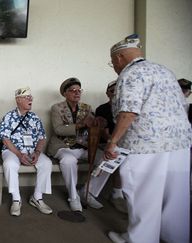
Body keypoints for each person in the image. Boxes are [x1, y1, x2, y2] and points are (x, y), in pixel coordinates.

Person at [105, 34, 191, 243]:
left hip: (145, 146)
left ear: (118, 59)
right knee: (177, 197)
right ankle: (175, 237)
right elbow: (183, 106)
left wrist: (113, 141)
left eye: (112, 62)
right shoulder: (165, 72)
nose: (114, 67)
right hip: (179, 143)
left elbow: (129, 112)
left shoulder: (130, 73)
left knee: (142, 195)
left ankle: (139, 239)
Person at [47, 78, 105, 212]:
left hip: (83, 146)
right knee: (68, 160)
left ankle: (87, 192)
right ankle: (73, 197)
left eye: (79, 90)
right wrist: (81, 124)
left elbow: (92, 126)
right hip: (63, 146)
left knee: (107, 159)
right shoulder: (57, 108)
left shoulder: (87, 107)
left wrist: (98, 123)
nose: (77, 93)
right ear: (65, 93)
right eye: (73, 90)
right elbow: (59, 129)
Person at [0, 87, 53, 216]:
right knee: (10, 164)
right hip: (12, 150)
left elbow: (42, 138)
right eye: (27, 97)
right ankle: (16, 199)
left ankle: (37, 198)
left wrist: (37, 153)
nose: (31, 99)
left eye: (31, 96)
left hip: (32, 151)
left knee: (46, 163)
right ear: (18, 100)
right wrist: (19, 155)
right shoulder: (9, 116)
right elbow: (5, 139)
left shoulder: (34, 117)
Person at [95, 80, 127, 214]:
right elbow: (103, 132)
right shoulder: (102, 109)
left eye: (117, 91)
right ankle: (117, 194)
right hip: (107, 143)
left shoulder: (125, 108)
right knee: (113, 156)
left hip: (125, 144)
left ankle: (127, 193)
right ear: (107, 93)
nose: (114, 93)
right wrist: (112, 142)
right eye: (112, 91)